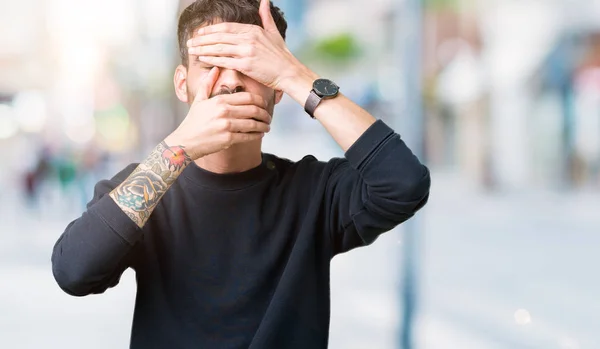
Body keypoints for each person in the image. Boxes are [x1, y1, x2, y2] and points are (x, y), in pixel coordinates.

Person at [51, 0, 431, 348]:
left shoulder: (314, 192)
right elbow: (74, 272)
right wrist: (176, 150)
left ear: (277, 90)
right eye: (212, 64)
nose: (230, 82)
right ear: (183, 85)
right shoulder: (147, 186)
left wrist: (295, 75)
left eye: (250, 66)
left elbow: (404, 183)